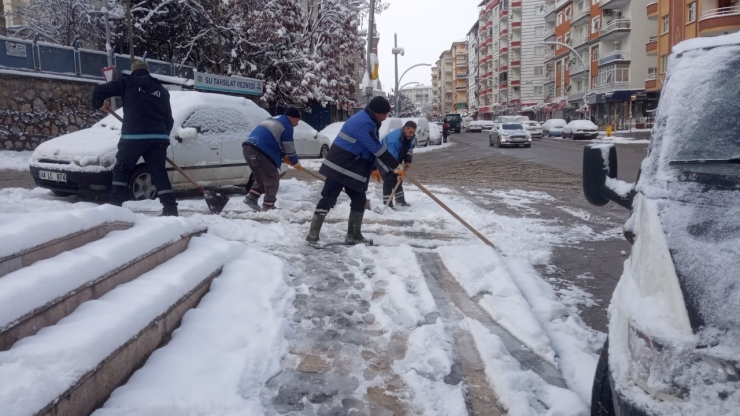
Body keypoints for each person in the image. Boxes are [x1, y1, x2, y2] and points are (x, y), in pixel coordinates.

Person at [305, 96, 403, 246]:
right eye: (384, 114)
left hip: (353, 167)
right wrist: (395, 166)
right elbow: (375, 148)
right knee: (328, 199)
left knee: (359, 201)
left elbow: (367, 148)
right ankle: (312, 237)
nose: (385, 117)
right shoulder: (363, 122)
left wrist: (374, 168)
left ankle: (353, 235)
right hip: (340, 166)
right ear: (377, 112)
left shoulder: (370, 120)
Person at [91, 59, 177, 216]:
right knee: (159, 173)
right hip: (157, 139)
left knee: (121, 170)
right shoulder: (162, 90)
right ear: (147, 71)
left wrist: (97, 103)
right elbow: (169, 120)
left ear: (133, 71)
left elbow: (99, 92)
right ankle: (170, 209)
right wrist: (162, 137)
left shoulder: (127, 82)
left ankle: (115, 208)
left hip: (133, 138)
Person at [242, 108, 303, 211]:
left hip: (248, 147)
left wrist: (284, 157)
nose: (297, 124)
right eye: (297, 120)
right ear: (291, 117)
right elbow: (289, 147)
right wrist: (295, 161)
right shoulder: (286, 125)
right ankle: (268, 206)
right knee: (272, 179)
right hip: (260, 150)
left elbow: (272, 141)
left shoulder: (273, 119)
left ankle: (251, 198)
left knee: (261, 178)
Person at [378, 121, 416, 208]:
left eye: (413, 132)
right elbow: (391, 159)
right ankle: (387, 204)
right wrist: (399, 172)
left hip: (394, 159)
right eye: (410, 132)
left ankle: (400, 201)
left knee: (398, 180)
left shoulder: (409, 137)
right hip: (382, 158)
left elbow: (409, 148)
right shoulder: (394, 140)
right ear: (404, 128)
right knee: (389, 178)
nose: (411, 135)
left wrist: (408, 160)